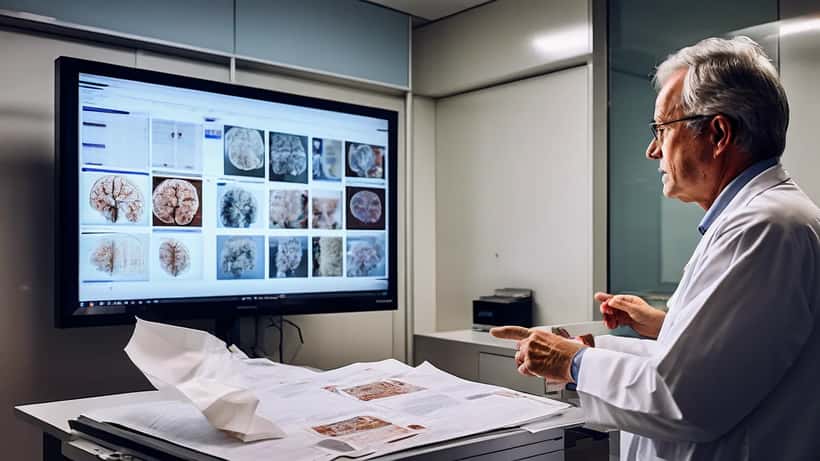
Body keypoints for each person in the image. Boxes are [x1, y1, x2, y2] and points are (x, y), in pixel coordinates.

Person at [491, 36, 820, 460]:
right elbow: (723, 362)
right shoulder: (765, 220)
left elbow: (687, 399)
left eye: (662, 130)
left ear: (718, 133)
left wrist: (572, 363)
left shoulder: (766, 227)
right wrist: (616, 342)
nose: (652, 151)